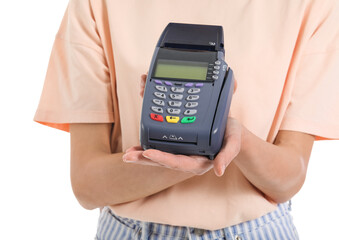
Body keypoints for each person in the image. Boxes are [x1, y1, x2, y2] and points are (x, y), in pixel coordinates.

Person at [33, 0, 339, 239]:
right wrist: (198, 148)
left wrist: (230, 141)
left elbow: (289, 179)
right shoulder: (95, 5)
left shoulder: (314, 6)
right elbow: (87, 184)